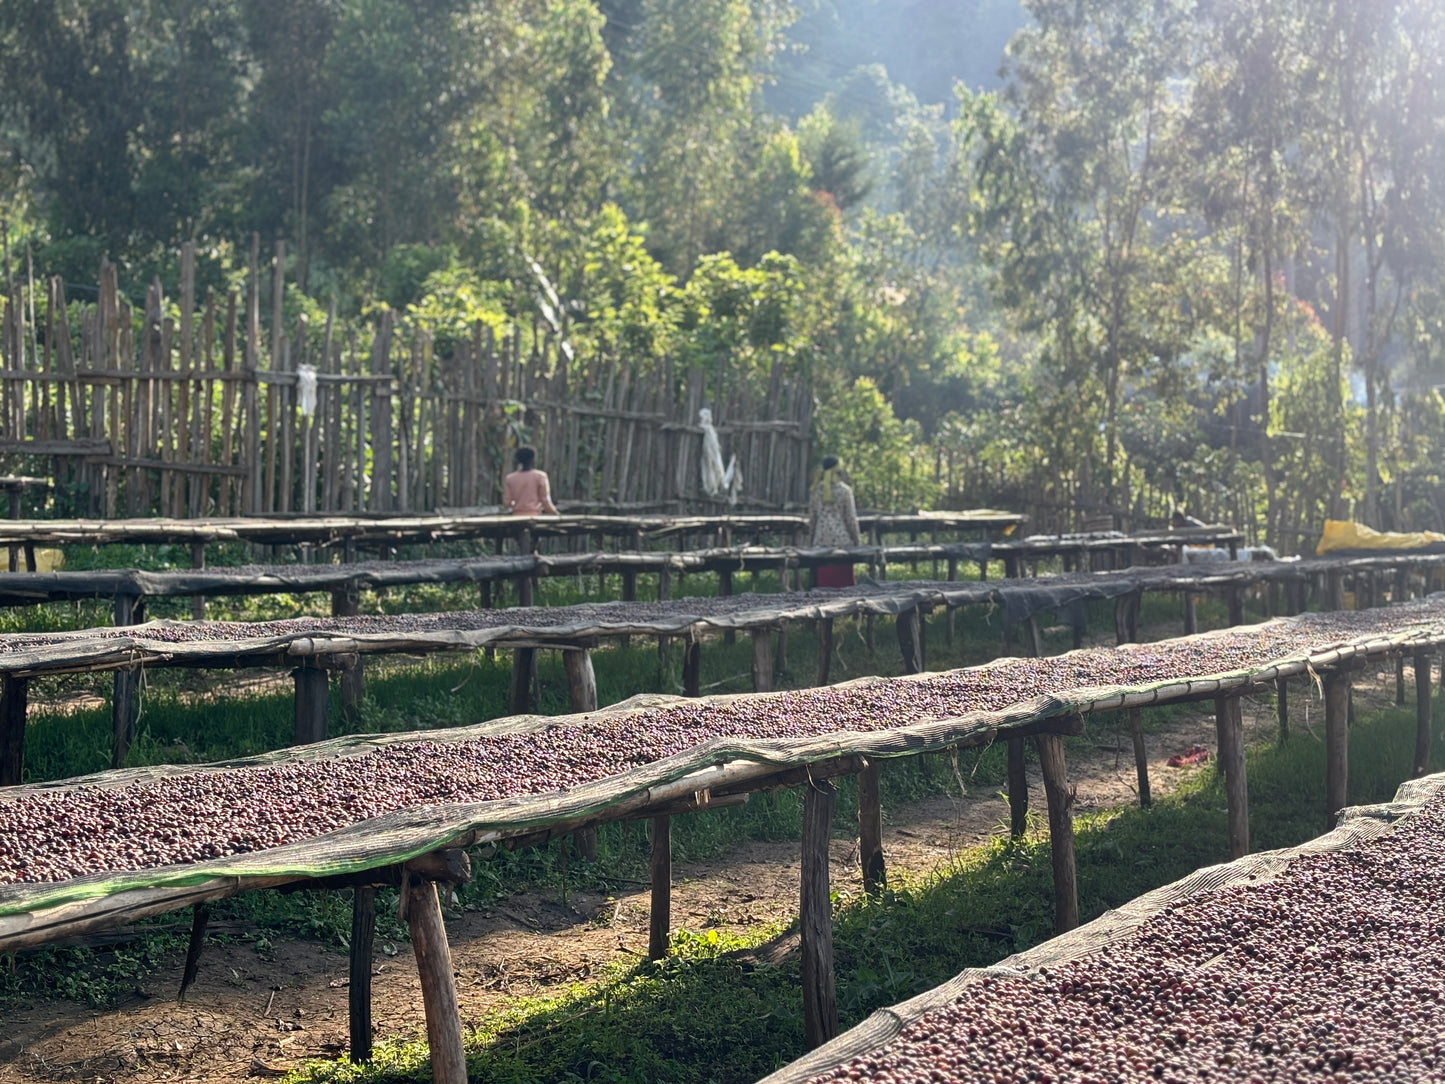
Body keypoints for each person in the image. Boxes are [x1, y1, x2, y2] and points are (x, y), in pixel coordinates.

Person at [809, 455, 861, 588]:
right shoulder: (845, 491)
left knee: (825, 585)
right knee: (844, 587)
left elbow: (813, 519)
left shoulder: (815, 490)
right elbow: (850, 519)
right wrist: (857, 541)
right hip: (842, 542)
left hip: (821, 542)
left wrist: (812, 541)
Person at [503, 446, 559, 515]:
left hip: (516, 516)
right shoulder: (540, 476)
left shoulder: (510, 478)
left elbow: (507, 502)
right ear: (533, 459)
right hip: (534, 516)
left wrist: (519, 505)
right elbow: (545, 500)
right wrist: (555, 512)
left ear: (518, 460)